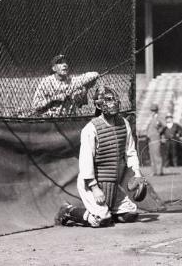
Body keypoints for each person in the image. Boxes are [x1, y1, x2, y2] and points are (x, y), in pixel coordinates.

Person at [54, 86, 145, 227]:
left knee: (130, 215)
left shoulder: (124, 124)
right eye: (108, 100)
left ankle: (108, 210)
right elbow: (85, 162)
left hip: (112, 183)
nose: (113, 103)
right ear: (98, 105)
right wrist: (94, 188)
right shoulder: (90, 129)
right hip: (91, 183)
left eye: (114, 99)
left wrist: (137, 174)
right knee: (101, 220)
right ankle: (68, 210)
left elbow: (131, 152)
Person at [32, 54, 99, 117]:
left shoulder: (72, 81)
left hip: (69, 118)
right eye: (60, 63)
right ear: (54, 68)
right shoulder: (46, 82)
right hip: (49, 119)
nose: (64, 65)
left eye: (66, 63)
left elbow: (92, 75)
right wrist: (54, 98)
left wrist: (94, 76)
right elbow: (36, 105)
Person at [145, 103, 165, 176]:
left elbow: (164, 126)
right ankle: (154, 171)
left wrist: (158, 132)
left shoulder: (158, 118)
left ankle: (159, 171)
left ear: (156, 111)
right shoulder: (152, 118)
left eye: (153, 110)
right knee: (152, 155)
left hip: (156, 138)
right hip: (150, 139)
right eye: (152, 110)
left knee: (157, 155)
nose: (152, 111)